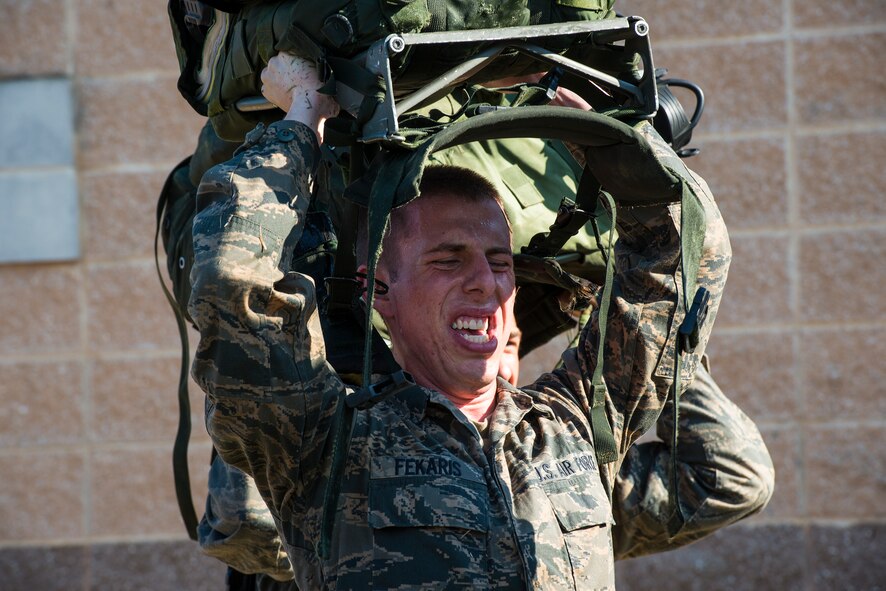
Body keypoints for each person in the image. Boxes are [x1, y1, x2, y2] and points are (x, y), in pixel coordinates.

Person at [189, 52, 732, 589]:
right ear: (377, 288)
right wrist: (302, 119)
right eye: (448, 260)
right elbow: (235, 286)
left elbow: (682, 273)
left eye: (500, 261)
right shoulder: (324, 448)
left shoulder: (573, 426)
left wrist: (619, 148)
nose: (486, 282)